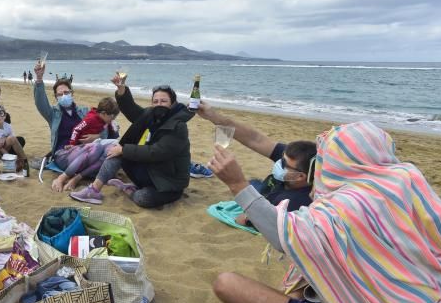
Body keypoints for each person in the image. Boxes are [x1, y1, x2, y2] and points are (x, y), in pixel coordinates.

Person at [208, 122, 441, 303]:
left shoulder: (345, 207)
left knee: (227, 284)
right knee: (307, 271)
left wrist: (238, 184)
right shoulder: (407, 178)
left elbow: (284, 237)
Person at [69, 75, 194, 208]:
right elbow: (133, 111)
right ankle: (93, 190)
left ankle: (130, 190)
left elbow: (157, 152)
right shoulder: (153, 116)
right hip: (152, 170)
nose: (159, 104)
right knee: (116, 152)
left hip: (169, 182)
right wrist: (122, 90)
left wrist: (124, 149)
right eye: (155, 101)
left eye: (163, 101)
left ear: (172, 103)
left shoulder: (178, 126)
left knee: (142, 198)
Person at [196, 101, 316, 225]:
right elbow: (255, 138)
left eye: (283, 163)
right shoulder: (299, 158)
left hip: (272, 204)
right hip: (269, 192)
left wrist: (236, 182)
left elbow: (246, 220)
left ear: (301, 176)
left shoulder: (292, 202)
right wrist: (213, 116)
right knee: (253, 184)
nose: (279, 163)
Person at [51, 97, 120, 192]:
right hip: (71, 152)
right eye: (112, 117)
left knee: (112, 148)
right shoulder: (91, 118)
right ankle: (61, 178)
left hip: (89, 153)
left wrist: (113, 130)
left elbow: (108, 137)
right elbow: (77, 129)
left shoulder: (104, 120)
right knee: (97, 147)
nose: (113, 119)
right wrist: (72, 143)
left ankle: (76, 178)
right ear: (103, 113)